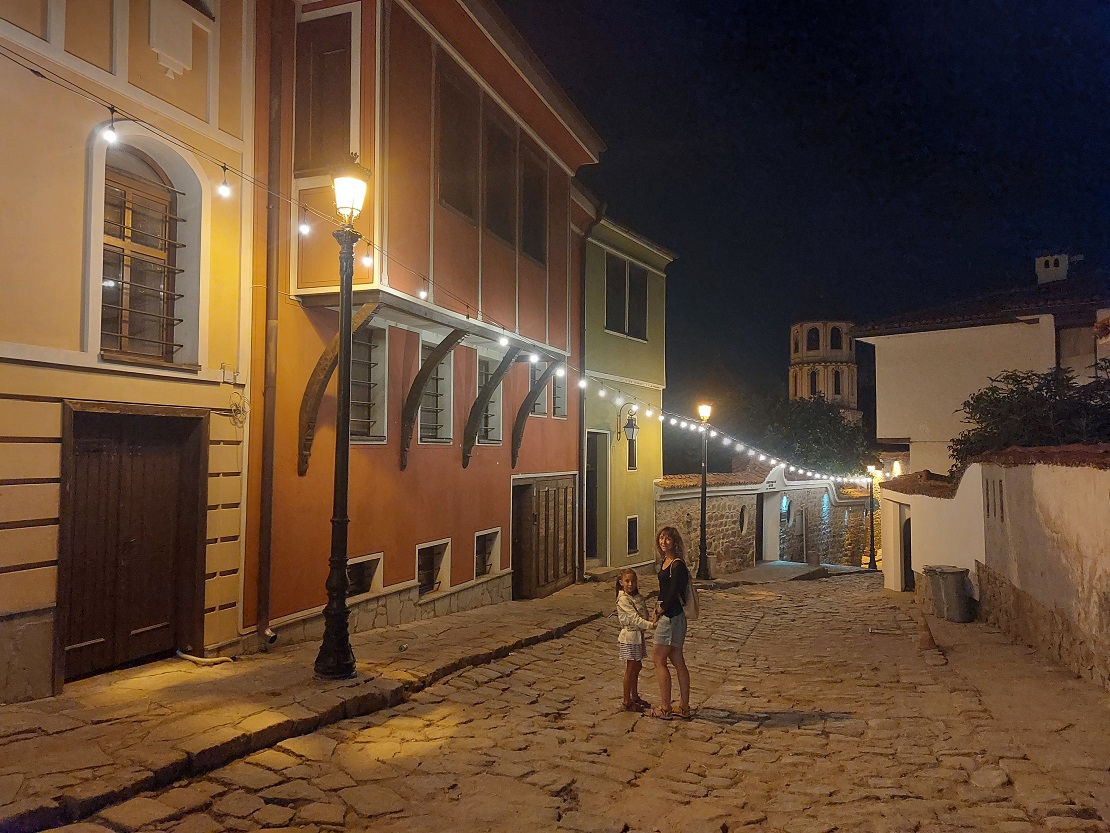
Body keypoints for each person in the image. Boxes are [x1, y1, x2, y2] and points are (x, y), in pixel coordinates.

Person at [648, 526, 692, 720]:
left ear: (675, 542)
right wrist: (656, 608)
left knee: (658, 659)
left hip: (672, 617)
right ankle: (684, 707)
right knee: (677, 659)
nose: (663, 542)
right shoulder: (666, 562)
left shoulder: (677, 565)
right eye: (661, 538)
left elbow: (673, 593)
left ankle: (665, 708)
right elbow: (664, 590)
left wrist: (661, 610)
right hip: (671, 616)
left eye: (667, 539)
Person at [615, 568, 654, 712]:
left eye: (633, 581)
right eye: (627, 581)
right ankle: (626, 701)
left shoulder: (636, 597)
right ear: (621, 583)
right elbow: (635, 618)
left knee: (637, 666)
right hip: (630, 637)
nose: (630, 584)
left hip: (637, 636)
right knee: (630, 668)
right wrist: (651, 625)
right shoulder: (623, 600)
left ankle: (635, 696)